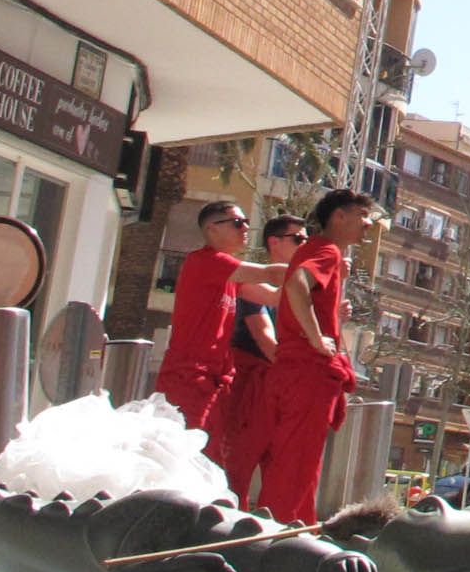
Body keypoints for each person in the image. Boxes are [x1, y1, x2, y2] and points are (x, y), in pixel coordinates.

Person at [248, 190, 370, 525]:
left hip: (293, 370)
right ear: (338, 217)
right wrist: (318, 339)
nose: (368, 224)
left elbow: (298, 289)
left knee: (291, 461)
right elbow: (296, 285)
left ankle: (291, 531)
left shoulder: (317, 251)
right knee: (296, 465)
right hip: (306, 372)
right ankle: (279, 536)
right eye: (361, 214)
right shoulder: (325, 250)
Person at [155, 204, 288, 478]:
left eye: (247, 222)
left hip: (214, 381)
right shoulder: (205, 261)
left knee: (209, 460)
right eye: (238, 223)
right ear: (211, 228)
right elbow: (270, 274)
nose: (246, 229)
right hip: (188, 377)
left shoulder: (230, 274)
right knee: (187, 458)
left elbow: (274, 296)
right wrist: (319, 264)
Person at [210, 215, 303, 507]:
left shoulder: (291, 291)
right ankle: (231, 520)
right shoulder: (251, 280)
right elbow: (266, 341)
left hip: (281, 387)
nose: (305, 246)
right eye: (298, 240)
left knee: (282, 467)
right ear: (274, 242)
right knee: (239, 462)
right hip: (252, 384)